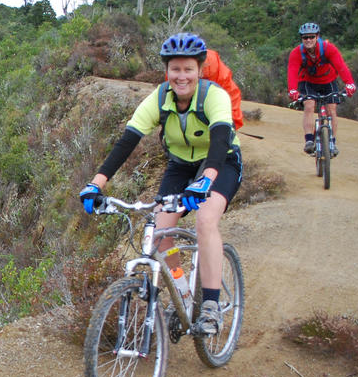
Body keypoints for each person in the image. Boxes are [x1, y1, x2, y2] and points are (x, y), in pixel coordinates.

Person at [79, 32, 243, 335]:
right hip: (181, 166)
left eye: (188, 69)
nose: (181, 77)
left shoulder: (214, 96)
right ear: (167, 71)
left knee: (206, 221)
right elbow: (126, 142)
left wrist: (205, 182)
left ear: (200, 69)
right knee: (159, 231)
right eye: (175, 70)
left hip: (222, 163)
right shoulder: (159, 98)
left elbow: (220, 141)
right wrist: (95, 184)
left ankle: (210, 305)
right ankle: (182, 290)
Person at [287, 22, 356, 156]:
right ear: (301, 39)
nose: (308, 40)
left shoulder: (328, 49)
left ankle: (332, 143)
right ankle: (309, 140)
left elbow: (341, 67)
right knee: (309, 105)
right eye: (305, 37)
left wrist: (349, 83)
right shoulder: (296, 53)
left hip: (328, 81)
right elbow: (292, 71)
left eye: (311, 37)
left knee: (332, 109)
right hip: (308, 82)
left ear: (317, 37)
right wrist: (293, 90)